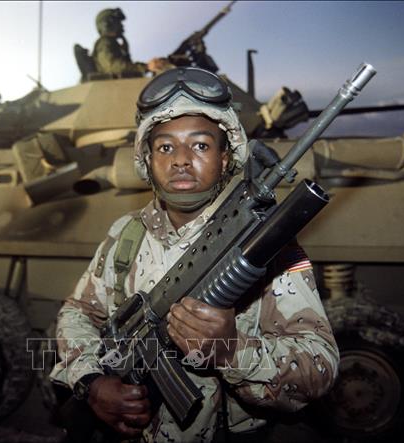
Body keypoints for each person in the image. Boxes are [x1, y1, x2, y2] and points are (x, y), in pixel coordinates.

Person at [50, 67, 339, 442]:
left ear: (225, 157)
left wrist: (232, 351)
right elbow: (77, 313)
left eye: (200, 145)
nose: (181, 159)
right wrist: (92, 382)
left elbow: (320, 369)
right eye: (165, 147)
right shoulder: (126, 234)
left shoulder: (264, 244)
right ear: (148, 160)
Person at [92, 8, 170, 77]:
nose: (121, 25)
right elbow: (112, 66)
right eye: (118, 22)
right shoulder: (104, 42)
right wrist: (146, 67)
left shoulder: (114, 43)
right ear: (108, 24)